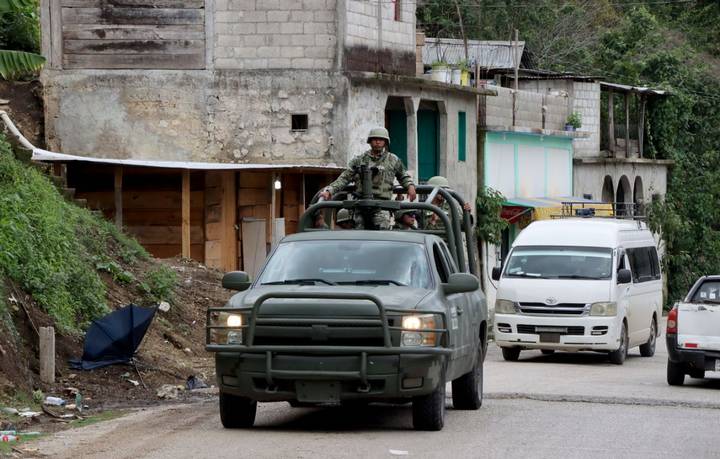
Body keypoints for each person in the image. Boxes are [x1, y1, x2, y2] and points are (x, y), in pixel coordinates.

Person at [319, 127, 416, 229]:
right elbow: (344, 177)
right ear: (370, 141)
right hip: (361, 204)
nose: (377, 142)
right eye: (375, 139)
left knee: (382, 234)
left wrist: (410, 185)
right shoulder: (359, 160)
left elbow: (403, 176)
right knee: (360, 235)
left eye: (381, 139)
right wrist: (330, 190)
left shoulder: (393, 160)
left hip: (383, 205)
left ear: (385, 142)